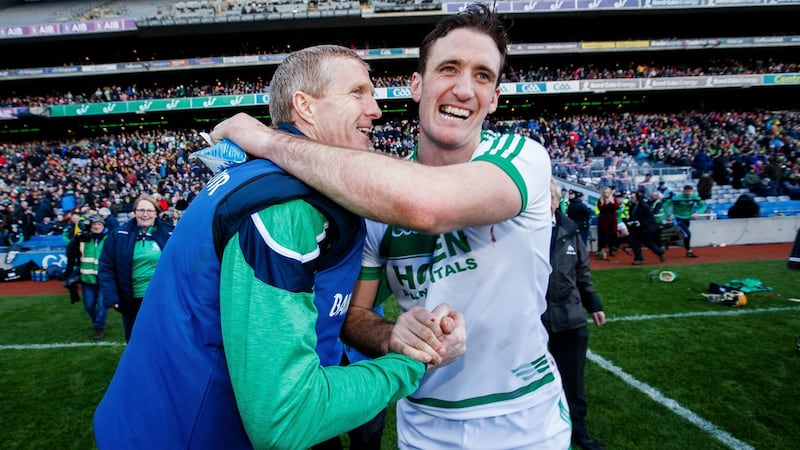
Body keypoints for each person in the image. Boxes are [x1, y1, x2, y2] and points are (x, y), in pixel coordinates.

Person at [212, 5, 571, 448]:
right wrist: (390, 334)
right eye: (449, 68)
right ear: (417, 85)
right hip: (423, 425)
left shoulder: (524, 156)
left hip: (524, 420)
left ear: (495, 98)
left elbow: (428, 205)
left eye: (483, 76)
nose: (463, 89)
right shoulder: (374, 197)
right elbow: (354, 315)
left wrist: (268, 141)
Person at [94, 45, 464, 450]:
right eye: (357, 93)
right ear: (304, 106)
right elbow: (285, 419)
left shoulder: (269, 179)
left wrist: (391, 335)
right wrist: (410, 364)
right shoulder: (286, 207)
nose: (375, 109)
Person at [543, 181, 606, 450]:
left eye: (549, 197)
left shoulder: (571, 231)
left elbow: (583, 274)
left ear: (557, 201)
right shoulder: (521, 230)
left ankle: (579, 432)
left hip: (570, 318)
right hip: (534, 321)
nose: (545, 201)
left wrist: (594, 304)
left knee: (573, 381)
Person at [98, 194, 174, 342]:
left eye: (150, 211)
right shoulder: (118, 235)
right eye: (141, 210)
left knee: (163, 340)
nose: (145, 214)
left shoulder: (170, 233)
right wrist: (111, 296)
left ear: (156, 213)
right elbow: (106, 267)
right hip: (132, 300)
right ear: (134, 212)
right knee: (135, 340)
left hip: (163, 298)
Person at [65, 214, 108, 339]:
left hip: (104, 278)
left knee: (102, 305)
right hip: (87, 278)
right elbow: (71, 252)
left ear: (103, 226)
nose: (96, 226)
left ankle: (99, 328)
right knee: (88, 306)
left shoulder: (109, 238)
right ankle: (97, 321)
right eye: (94, 224)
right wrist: (76, 238)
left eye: (99, 224)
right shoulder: (83, 238)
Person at [663, 184, 706, 258]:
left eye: (690, 191)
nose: (688, 193)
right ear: (684, 191)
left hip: (687, 218)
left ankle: (668, 240)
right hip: (678, 218)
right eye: (686, 191)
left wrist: (697, 213)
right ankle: (689, 251)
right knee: (687, 234)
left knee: (683, 234)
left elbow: (703, 205)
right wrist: (669, 214)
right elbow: (666, 205)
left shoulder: (695, 197)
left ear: (692, 191)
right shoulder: (677, 198)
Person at [624, 191, 666, 265]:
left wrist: (641, 222)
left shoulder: (644, 206)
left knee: (649, 243)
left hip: (644, 229)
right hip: (634, 228)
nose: (631, 199)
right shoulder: (632, 206)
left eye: (633, 197)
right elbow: (632, 216)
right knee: (634, 243)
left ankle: (660, 252)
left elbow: (649, 218)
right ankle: (638, 259)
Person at [595, 186, 619, 260]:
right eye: (605, 192)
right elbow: (601, 208)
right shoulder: (600, 200)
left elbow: (616, 207)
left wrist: (610, 203)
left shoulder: (614, 199)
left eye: (608, 192)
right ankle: (600, 250)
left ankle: (611, 250)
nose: (606, 194)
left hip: (612, 221)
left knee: (612, 236)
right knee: (602, 236)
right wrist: (608, 205)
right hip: (603, 221)